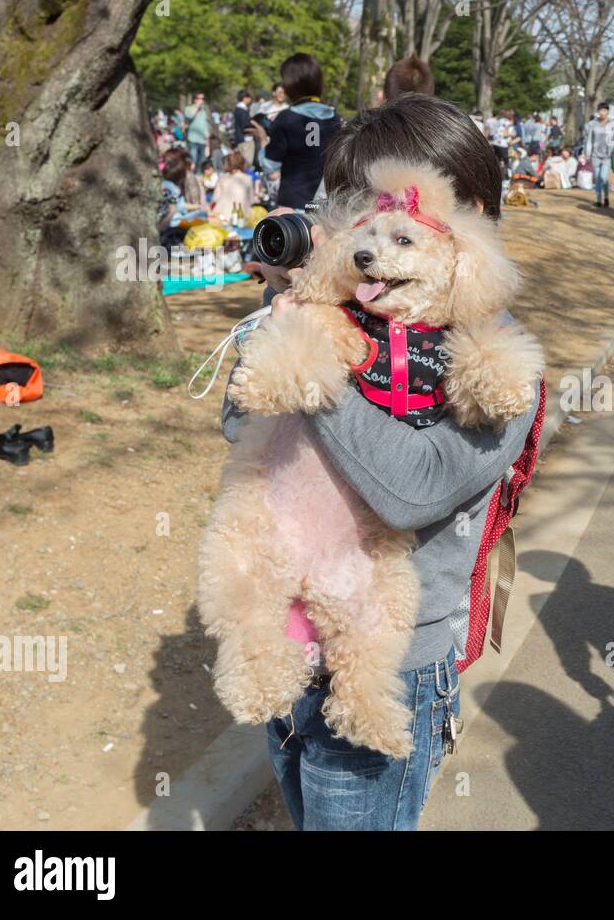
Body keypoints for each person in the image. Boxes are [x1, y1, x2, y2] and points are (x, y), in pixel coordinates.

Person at [225, 92, 540, 832]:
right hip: (288, 641)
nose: (367, 234)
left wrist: (311, 361)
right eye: (356, 206)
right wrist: (281, 324)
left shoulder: (495, 354)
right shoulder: (335, 307)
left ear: (475, 212)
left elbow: (412, 488)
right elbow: (239, 425)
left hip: (393, 661)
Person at [245, 53, 342, 210]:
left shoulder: (286, 119)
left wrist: (263, 140)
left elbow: (270, 165)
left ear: (290, 85)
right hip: (325, 207)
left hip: (293, 206)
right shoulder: (334, 118)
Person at [583, 102, 614, 208]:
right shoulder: (593, 124)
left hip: (608, 156)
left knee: (603, 177)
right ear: (598, 112)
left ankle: (606, 196)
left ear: (608, 111)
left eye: (604, 110)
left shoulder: (613, 125)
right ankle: (598, 199)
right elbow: (589, 140)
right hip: (595, 155)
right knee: (598, 178)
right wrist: (587, 153)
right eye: (600, 110)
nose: (602, 112)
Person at [211, 151, 254, 224]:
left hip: (223, 218)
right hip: (242, 219)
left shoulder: (223, 179)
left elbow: (215, 198)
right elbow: (251, 200)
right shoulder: (248, 179)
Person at [183, 93, 211, 166]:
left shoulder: (203, 111)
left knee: (200, 163)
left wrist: (207, 141)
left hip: (202, 141)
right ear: (195, 99)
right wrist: (197, 106)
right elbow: (190, 116)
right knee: (192, 161)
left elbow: (204, 126)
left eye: (202, 99)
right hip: (193, 140)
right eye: (199, 98)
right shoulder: (188, 108)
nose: (201, 100)